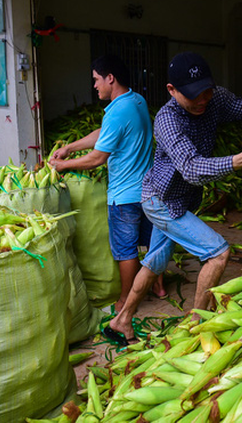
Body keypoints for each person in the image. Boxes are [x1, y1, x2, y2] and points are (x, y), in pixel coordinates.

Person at [106, 51, 242, 343]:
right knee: (218, 253)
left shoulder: (216, 99)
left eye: (206, 91)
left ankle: (121, 321)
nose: (202, 100)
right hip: (160, 201)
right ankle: (197, 329)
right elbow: (191, 168)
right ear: (172, 91)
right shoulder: (167, 119)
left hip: (182, 201)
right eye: (193, 95)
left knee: (154, 263)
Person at [49, 54, 165, 312]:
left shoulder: (117, 111)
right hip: (147, 190)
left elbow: (97, 159)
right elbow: (104, 134)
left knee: (126, 251)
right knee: (150, 243)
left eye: (96, 80)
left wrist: (63, 166)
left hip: (124, 196)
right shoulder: (135, 101)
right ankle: (158, 287)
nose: (95, 86)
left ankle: (125, 301)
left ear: (110, 78)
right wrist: (70, 147)